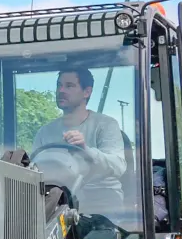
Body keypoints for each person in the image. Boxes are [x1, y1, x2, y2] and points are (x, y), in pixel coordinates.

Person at [32, 68, 128, 207]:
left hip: (102, 202)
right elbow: (34, 171)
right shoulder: (45, 132)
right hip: (57, 200)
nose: (61, 90)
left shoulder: (106, 124)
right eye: (59, 85)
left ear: (86, 92)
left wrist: (85, 150)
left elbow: (118, 166)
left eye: (69, 86)